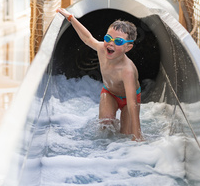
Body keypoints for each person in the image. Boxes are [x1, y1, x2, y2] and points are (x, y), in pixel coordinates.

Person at [56, 8, 143, 141]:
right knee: (105, 126)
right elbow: (87, 38)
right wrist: (71, 18)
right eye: (108, 38)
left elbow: (132, 104)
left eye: (118, 41)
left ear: (128, 47)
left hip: (128, 101)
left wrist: (137, 134)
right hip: (110, 93)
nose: (111, 43)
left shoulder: (127, 70)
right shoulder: (102, 49)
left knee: (126, 136)